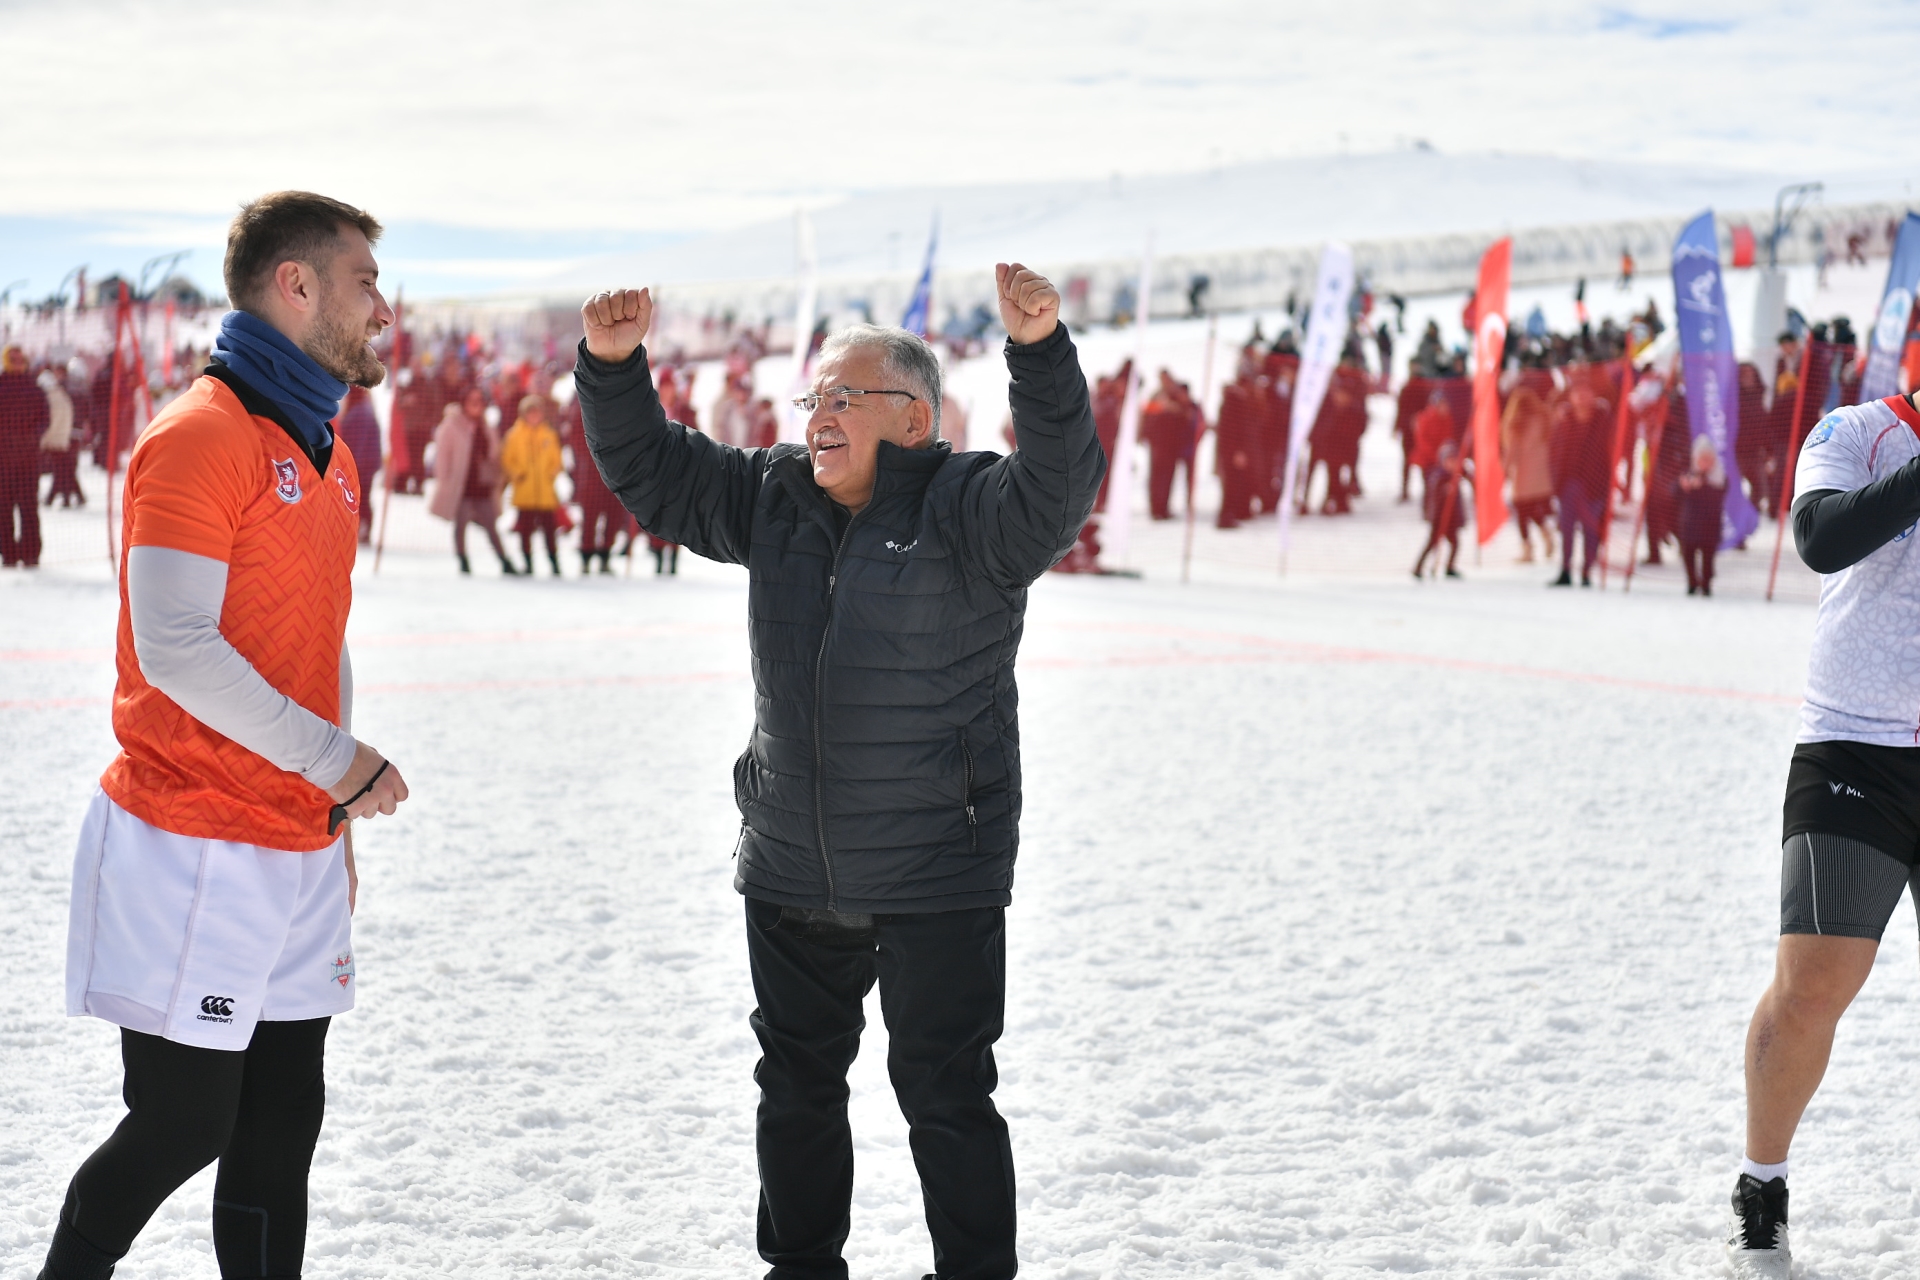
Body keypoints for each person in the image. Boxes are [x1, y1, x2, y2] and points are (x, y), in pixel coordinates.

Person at [576, 262, 1103, 1280]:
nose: (819, 416)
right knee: (796, 1088)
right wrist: (612, 367)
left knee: (946, 1093)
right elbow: (657, 471)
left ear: (914, 418)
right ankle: (801, 1266)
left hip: (935, 867)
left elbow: (1060, 482)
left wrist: (1040, 353)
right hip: (791, 864)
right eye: (813, 397)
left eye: (844, 398)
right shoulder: (773, 495)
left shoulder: (974, 509)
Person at [35, 190, 410, 1280]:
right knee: (183, 1122)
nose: (383, 308)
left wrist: (334, 803)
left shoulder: (331, 453)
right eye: (364, 281)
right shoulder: (200, 433)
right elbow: (176, 647)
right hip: (188, 837)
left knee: (285, 1116)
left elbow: (319, 640)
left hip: (299, 838)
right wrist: (338, 761)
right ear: (295, 285)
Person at [1725, 384, 1920, 1279]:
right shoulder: (1856, 432)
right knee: (1810, 989)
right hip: (1856, 748)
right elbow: (1819, 538)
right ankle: (1762, 1186)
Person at [429, 386, 517, 575]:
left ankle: (504, 560)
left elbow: (494, 454)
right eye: (472, 401)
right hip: (461, 485)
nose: (476, 405)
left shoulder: (486, 427)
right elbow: (443, 455)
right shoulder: (452, 425)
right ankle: (463, 561)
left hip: (482, 485)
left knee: (491, 524)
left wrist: (496, 474)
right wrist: (444, 479)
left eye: (480, 401)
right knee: (461, 524)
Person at [1547, 371, 1612, 587]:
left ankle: (1586, 571)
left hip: (1595, 484)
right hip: (1568, 483)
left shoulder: (1603, 420)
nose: (1582, 397)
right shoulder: (1564, 421)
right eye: (1577, 393)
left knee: (1592, 530)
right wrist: (1556, 480)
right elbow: (1554, 450)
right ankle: (1565, 569)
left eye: (1586, 392)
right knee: (1566, 528)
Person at [501, 393, 566, 576]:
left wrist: (551, 474)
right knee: (525, 530)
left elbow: (557, 459)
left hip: (545, 493)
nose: (534, 416)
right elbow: (507, 460)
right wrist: (518, 474)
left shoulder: (549, 434)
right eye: (531, 413)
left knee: (549, 530)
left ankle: (554, 563)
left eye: (537, 412)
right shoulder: (515, 435)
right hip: (524, 492)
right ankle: (528, 562)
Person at [0, 345, 50, 566]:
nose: (18, 362)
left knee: (29, 506)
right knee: (4, 508)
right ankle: (8, 554)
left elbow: (45, 417)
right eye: (13, 359)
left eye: (21, 359)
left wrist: (33, 436)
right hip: (3, 460)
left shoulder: (34, 388)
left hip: (28, 459)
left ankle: (30, 553)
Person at [1500, 382, 1554, 562]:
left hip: (1523, 474)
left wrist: (1504, 471)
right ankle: (1545, 533)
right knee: (1529, 508)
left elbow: (1512, 451)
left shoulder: (1516, 424)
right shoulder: (1544, 420)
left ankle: (1528, 548)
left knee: (1522, 511)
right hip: (1541, 474)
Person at [1676, 434, 1728, 596]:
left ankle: (1706, 583)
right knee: (1688, 554)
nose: (1705, 462)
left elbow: (1720, 495)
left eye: (1708, 458)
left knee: (1708, 557)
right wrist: (1684, 487)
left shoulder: (1720, 477)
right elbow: (1674, 493)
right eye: (1702, 458)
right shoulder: (1688, 473)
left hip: (1710, 526)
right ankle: (1692, 582)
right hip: (1690, 525)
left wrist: (1703, 485)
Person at [335, 384, 382, 542]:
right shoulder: (364, 409)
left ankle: (363, 529)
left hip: (361, 465)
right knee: (364, 498)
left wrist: (350, 465)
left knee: (361, 498)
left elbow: (357, 444)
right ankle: (364, 529)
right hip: (366, 464)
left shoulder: (358, 413)